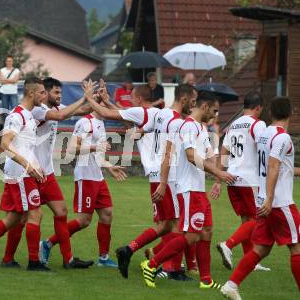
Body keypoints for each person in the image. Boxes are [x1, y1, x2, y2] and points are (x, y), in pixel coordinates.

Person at [140, 91, 236, 289]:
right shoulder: (188, 127)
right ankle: (152, 264)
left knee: (207, 231)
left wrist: (222, 173)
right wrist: (219, 172)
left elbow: (210, 157)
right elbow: (191, 156)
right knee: (191, 236)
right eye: (215, 110)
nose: (216, 115)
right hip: (189, 189)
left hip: (198, 189)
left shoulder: (200, 128)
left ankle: (206, 280)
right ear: (205, 106)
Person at [2, 77, 93, 269]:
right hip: (31, 171)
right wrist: (84, 97)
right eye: (55, 93)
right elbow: (61, 116)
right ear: (44, 93)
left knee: (60, 212)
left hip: (46, 171)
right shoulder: (37, 110)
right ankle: (9, 257)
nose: (59, 96)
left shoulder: (52, 107)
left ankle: (67, 259)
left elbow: (81, 110)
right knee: (21, 217)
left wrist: (96, 100)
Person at [115, 84, 198, 281]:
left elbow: (132, 126)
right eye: (193, 101)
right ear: (184, 98)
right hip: (167, 177)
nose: (193, 105)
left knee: (166, 225)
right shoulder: (172, 119)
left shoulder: (160, 115)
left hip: (158, 175)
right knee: (178, 225)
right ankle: (171, 269)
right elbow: (168, 153)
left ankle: (129, 249)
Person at [40, 80, 127, 268]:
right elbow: (72, 149)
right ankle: (47, 243)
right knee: (83, 221)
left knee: (107, 214)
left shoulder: (100, 124)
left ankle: (103, 258)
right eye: (103, 99)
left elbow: (98, 155)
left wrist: (109, 166)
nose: (107, 103)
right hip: (86, 176)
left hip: (98, 176)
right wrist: (96, 146)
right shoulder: (85, 122)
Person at [220, 97, 300, 299]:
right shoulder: (282, 137)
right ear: (291, 113)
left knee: (261, 248)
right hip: (279, 202)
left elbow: (280, 167)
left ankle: (231, 285)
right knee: (297, 246)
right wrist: (271, 198)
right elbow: (273, 166)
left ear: (271, 113)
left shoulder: (265, 134)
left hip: (264, 200)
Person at [0, 77, 50, 271]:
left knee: (15, 218)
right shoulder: (17, 116)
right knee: (35, 214)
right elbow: (4, 145)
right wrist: (27, 166)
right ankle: (33, 262)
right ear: (31, 93)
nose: (45, 95)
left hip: (24, 172)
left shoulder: (29, 115)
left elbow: (25, 147)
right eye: (41, 92)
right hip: (21, 174)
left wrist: (36, 165)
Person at [214, 93, 270, 271]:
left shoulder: (233, 125)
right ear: (258, 107)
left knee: (246, 220)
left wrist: (218, 178)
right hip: (249, 179)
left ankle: (251, 261)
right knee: (257, 218)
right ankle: (228, 245)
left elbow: (223, 151)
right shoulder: (258, 124)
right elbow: (264, 148)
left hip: (232, 178)